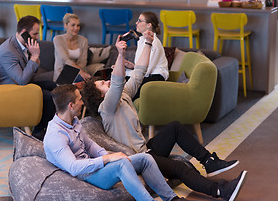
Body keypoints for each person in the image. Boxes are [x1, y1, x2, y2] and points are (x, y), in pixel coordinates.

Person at [81, 33, 247, 201]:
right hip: (139, 159)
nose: (107, 82)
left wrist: (148, 43)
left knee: (174, 127)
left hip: (146, 149)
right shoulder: (106, 109)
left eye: (104, 81)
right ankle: (221, 191)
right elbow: (117, 81)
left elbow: (139, 72)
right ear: (98, 96)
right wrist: (120, 54)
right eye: (102, 84)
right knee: (179, 168)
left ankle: (209, 162)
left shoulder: (124, 94)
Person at [43, 84, 188, 201]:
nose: (82, 102)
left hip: (93, 166)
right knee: (121, 164)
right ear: (71, 105)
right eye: (79, 99)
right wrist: (107, 159)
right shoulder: (56, 135)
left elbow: (90, 145)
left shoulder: (74, 122)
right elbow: (74, 168)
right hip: (84, 175)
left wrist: (108, 156)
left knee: (145, 158)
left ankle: (172, 199)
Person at [0, 15, 56, 139]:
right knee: (47, 96)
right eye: (35, 34)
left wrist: (34, 56)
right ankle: (39, 132)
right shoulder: (8, 51)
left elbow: (33, 70)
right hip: (8, 89)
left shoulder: (23, 44)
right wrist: (34, 57)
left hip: (19, 83)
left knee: (52, 86)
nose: (38, 37)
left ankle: (49, 127)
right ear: (25, 33)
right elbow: (22, 80)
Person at [125, 11, 168, 100]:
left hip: (156, 78)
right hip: (148, 74)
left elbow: (146, 71)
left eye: (140, 21)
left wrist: (128, 73)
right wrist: (132, 66)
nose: (136, 23)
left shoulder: (154, 43)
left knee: (124, 80)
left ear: (149, 25)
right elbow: (142, 67)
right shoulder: (141, 40)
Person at [53, 13, 91, 82]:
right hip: (62, 73)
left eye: (78, 25)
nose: (76, 28)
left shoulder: (84, 41)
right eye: (73, 25)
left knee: (89, 81)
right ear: (65, 25)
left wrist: (78, 72)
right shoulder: (57, 39)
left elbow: (83, 62)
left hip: (79, 72)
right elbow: (65, 60)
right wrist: (79, 71)